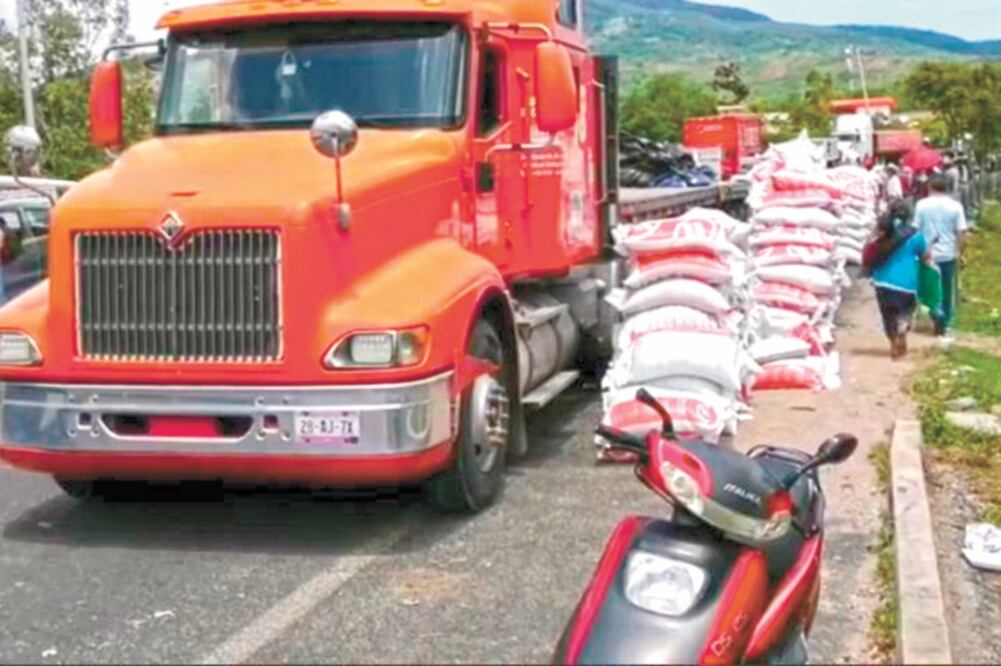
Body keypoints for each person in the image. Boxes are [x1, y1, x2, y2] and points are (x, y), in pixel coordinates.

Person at [867, 200, 930, 359]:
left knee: (888, 314)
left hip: (882, 281)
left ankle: (893, 340)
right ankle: (902, 329)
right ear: (909, 215)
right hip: (907, 283)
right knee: (906, 311)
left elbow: (870, 248)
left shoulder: (883, 231)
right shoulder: (916, 235)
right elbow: (925, 257)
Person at [916, 175, 970, 341]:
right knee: (947, 290)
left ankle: (935, 312)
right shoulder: (955, 206)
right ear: (947, 188)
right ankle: (944, 323)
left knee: (927, 289)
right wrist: (961, 252)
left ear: (930, 187)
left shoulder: (922, 205)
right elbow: (962, 233)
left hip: (926, 255)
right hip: (948, 254)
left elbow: (915, 229)